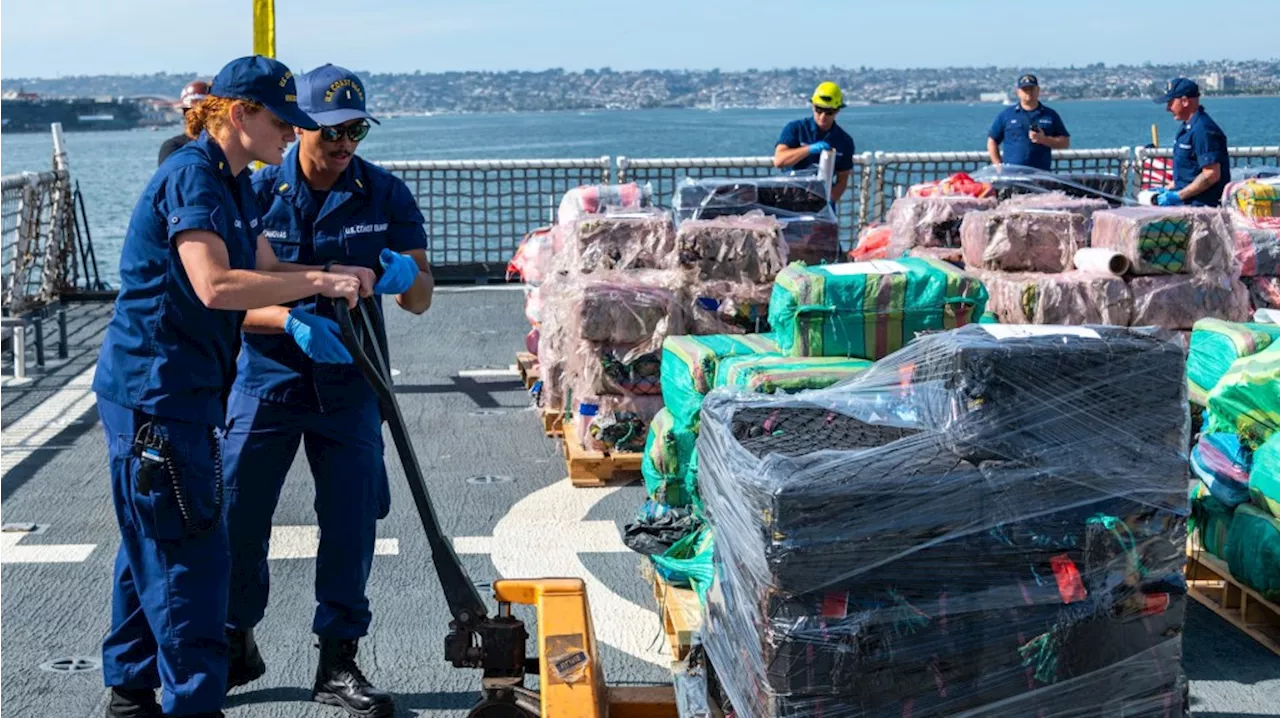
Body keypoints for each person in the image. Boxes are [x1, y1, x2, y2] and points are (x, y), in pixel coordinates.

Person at [93, 55, 375, 718]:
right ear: (239, 114)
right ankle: (195, 704)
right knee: (191, 558)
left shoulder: (235, 183)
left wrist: (336, 272)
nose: (291, 135)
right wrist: (317, 285)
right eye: (282, 121)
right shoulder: (193, 178)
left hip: (175, 392)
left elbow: (267, 263)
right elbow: (215, 284)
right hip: (159, 396)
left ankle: (130, 692)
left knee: (150, 542)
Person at [221, 64, 433, 718]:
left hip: (352, 384)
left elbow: (422, 297)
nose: (345, 145)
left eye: (357, 131)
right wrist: (287, 317)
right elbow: (223, 298)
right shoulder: (256, 192)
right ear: (300, 126)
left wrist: (401, 273)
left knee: (349, 525)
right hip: (268, 381)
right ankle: (233, 639)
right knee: (236, 515)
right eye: (332, 131)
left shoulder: (385, 194)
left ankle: (338, 662)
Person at [773, 81, 857, 204]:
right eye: (819, 110)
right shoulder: (796, 129)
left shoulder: (844, 141)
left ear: (837, 111)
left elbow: (842, 180)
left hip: (820, 199)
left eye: (829, 112)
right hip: (789, 196)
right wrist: (808, 149)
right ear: (813, 106)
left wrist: (829, 200)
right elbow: (779, 161)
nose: (823, 116)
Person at [1153, 77, 1231, 207]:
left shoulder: (1203, 130)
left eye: (1170, 102)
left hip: (1203, 207)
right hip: (1187, 205)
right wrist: (1169, 188)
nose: (1167, 108)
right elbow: (1190, 172)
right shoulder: (1187, 127)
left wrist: (1178, 196)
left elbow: (1211, 174)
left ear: (1184, 101)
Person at [986, 74, 1070, 171]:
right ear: (1018, 92)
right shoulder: (1006, 115)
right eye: (1025, 89)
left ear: (1038, 90)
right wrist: (998, 165)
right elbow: (992, 141)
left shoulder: (1050, 115)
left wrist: (1044, 139)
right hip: (1013, 177)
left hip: (1041, 176)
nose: (1029, 92)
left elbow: (1065, 143)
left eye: (1031, 89)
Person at [158, 80, 210, 166]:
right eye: (187, 111)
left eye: (200, 111)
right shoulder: (173, 147)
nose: (193, 116)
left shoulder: (224, 148)